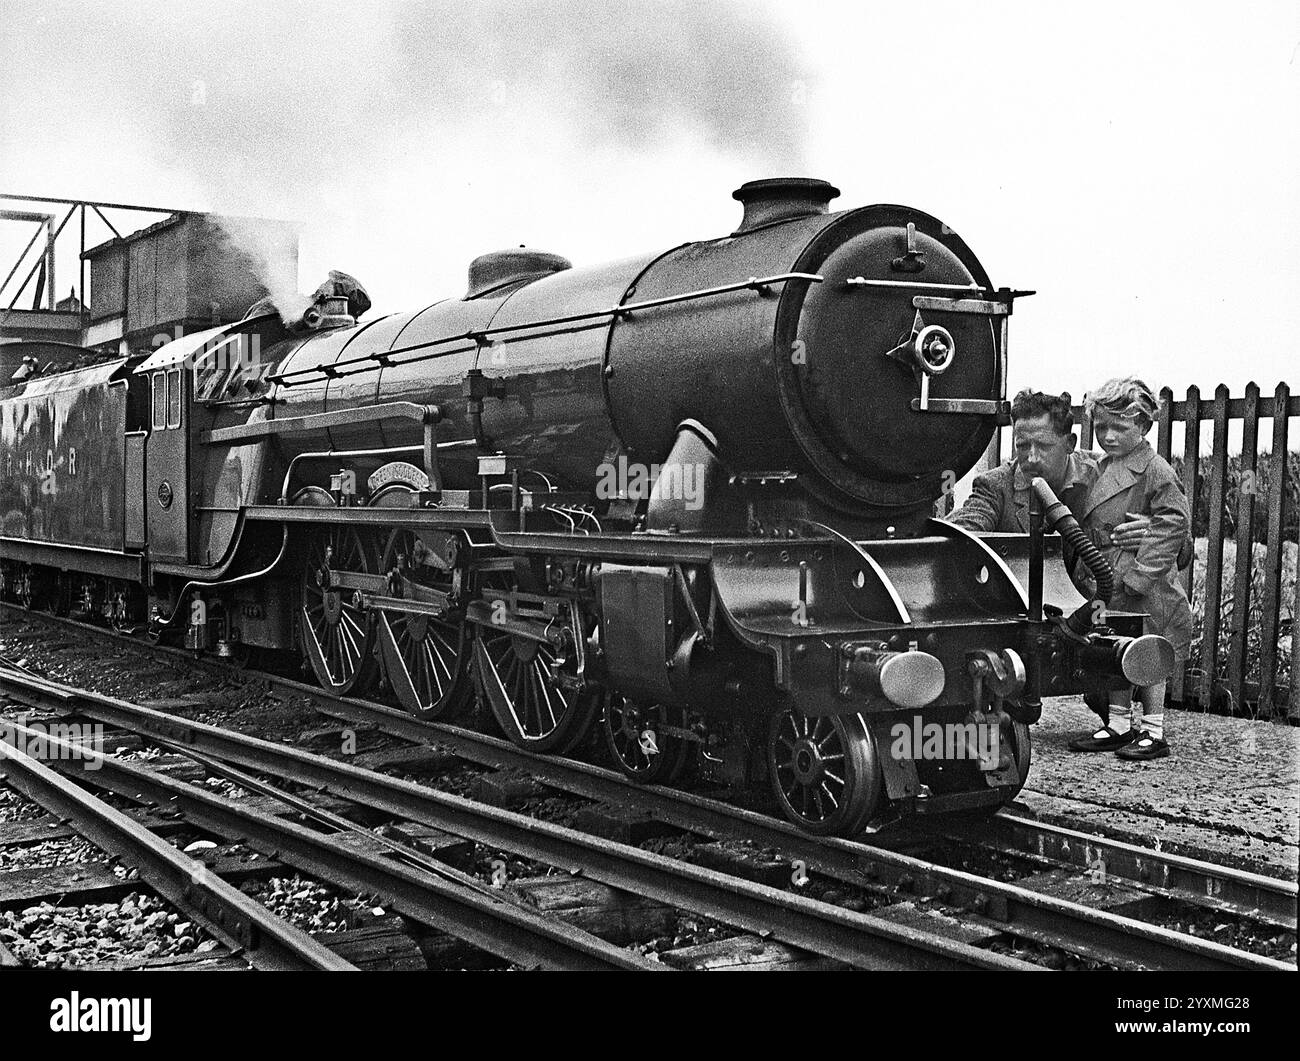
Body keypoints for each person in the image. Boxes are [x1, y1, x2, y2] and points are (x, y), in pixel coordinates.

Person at [1070, 378, 1193, 761]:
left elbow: (1174, 523)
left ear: (1143, 425)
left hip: (1146, 585)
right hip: (1109, 580)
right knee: (1116, 653)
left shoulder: (1155, 470)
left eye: (1119, 427)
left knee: (1150, 655)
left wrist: (1141, 575)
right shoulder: (1100, 466)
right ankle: (1119, 723)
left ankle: (1153, 729)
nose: (1108, 435)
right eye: (1101, 426)